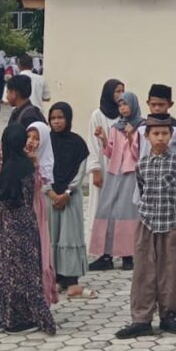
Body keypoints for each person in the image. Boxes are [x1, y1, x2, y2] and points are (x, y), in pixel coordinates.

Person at [0, 124, 56, 336]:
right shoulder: (26, 164)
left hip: (13, 227)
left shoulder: (12, 166)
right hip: (28, 223)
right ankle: (4, 316)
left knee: (10, 273)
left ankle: (18, 319)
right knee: (20, 273)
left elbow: (4, 197)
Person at [115, 117, 176, 339]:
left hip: (171, 223)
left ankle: (169, 315)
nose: (160, 138)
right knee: (143, 271)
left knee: (171, 269)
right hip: (147, 223)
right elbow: (141, 189)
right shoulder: (142, 164)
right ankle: (141, 319)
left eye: (164, 133)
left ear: (171, 136)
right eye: (156, 134)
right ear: (147, 136)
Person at [89, 93, 143, 272]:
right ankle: (106, 255)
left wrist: (130, 135)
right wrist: (104, 139)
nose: (122, 108)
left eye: (126, 104)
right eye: (120, 105)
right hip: (114, 173)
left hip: (130, 173)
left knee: (125, 213)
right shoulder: (116, 127)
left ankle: (128, 256)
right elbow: (110, 152)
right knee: (108, 211)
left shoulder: (141, 127)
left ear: (133, 105)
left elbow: (138, 154)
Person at [47, 102, 93, 299]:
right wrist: (51, 192)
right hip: (50, 198)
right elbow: (41, 170)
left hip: (70, 199)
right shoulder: (45, 143)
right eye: (53, 118)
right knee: (53, 236)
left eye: (60, 118)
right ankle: (56, 278)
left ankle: (72, 279)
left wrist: (67, 192)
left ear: (68, 119)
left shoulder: (77, 143)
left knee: (70, 235)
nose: (56, 122)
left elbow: (80, 172)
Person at [86, 79, 124, 251]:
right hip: (102, 165)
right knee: (100, 208)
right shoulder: (97, 115)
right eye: (117, 91)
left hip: (120, 167)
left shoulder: (123, 114)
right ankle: (102, 249)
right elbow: (93, 144)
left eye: (122, 91)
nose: (120, 95)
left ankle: (120, 248)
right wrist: (95, 169)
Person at [26, 121, 59, 306]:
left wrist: (35, 164)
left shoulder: (44, 162)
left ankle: (43, 296)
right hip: (22, 208)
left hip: (37, 208)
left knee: (40, 249)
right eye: (29, 136)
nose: (31, 141)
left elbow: (42, 184)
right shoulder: (19, 157)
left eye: (36, 138)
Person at [139, 84, 176, 166]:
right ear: (148, 103)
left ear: (170, 104)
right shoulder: (141, 128)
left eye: (161, 105)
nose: (157, 108)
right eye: (153, 104)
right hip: (146, 171)